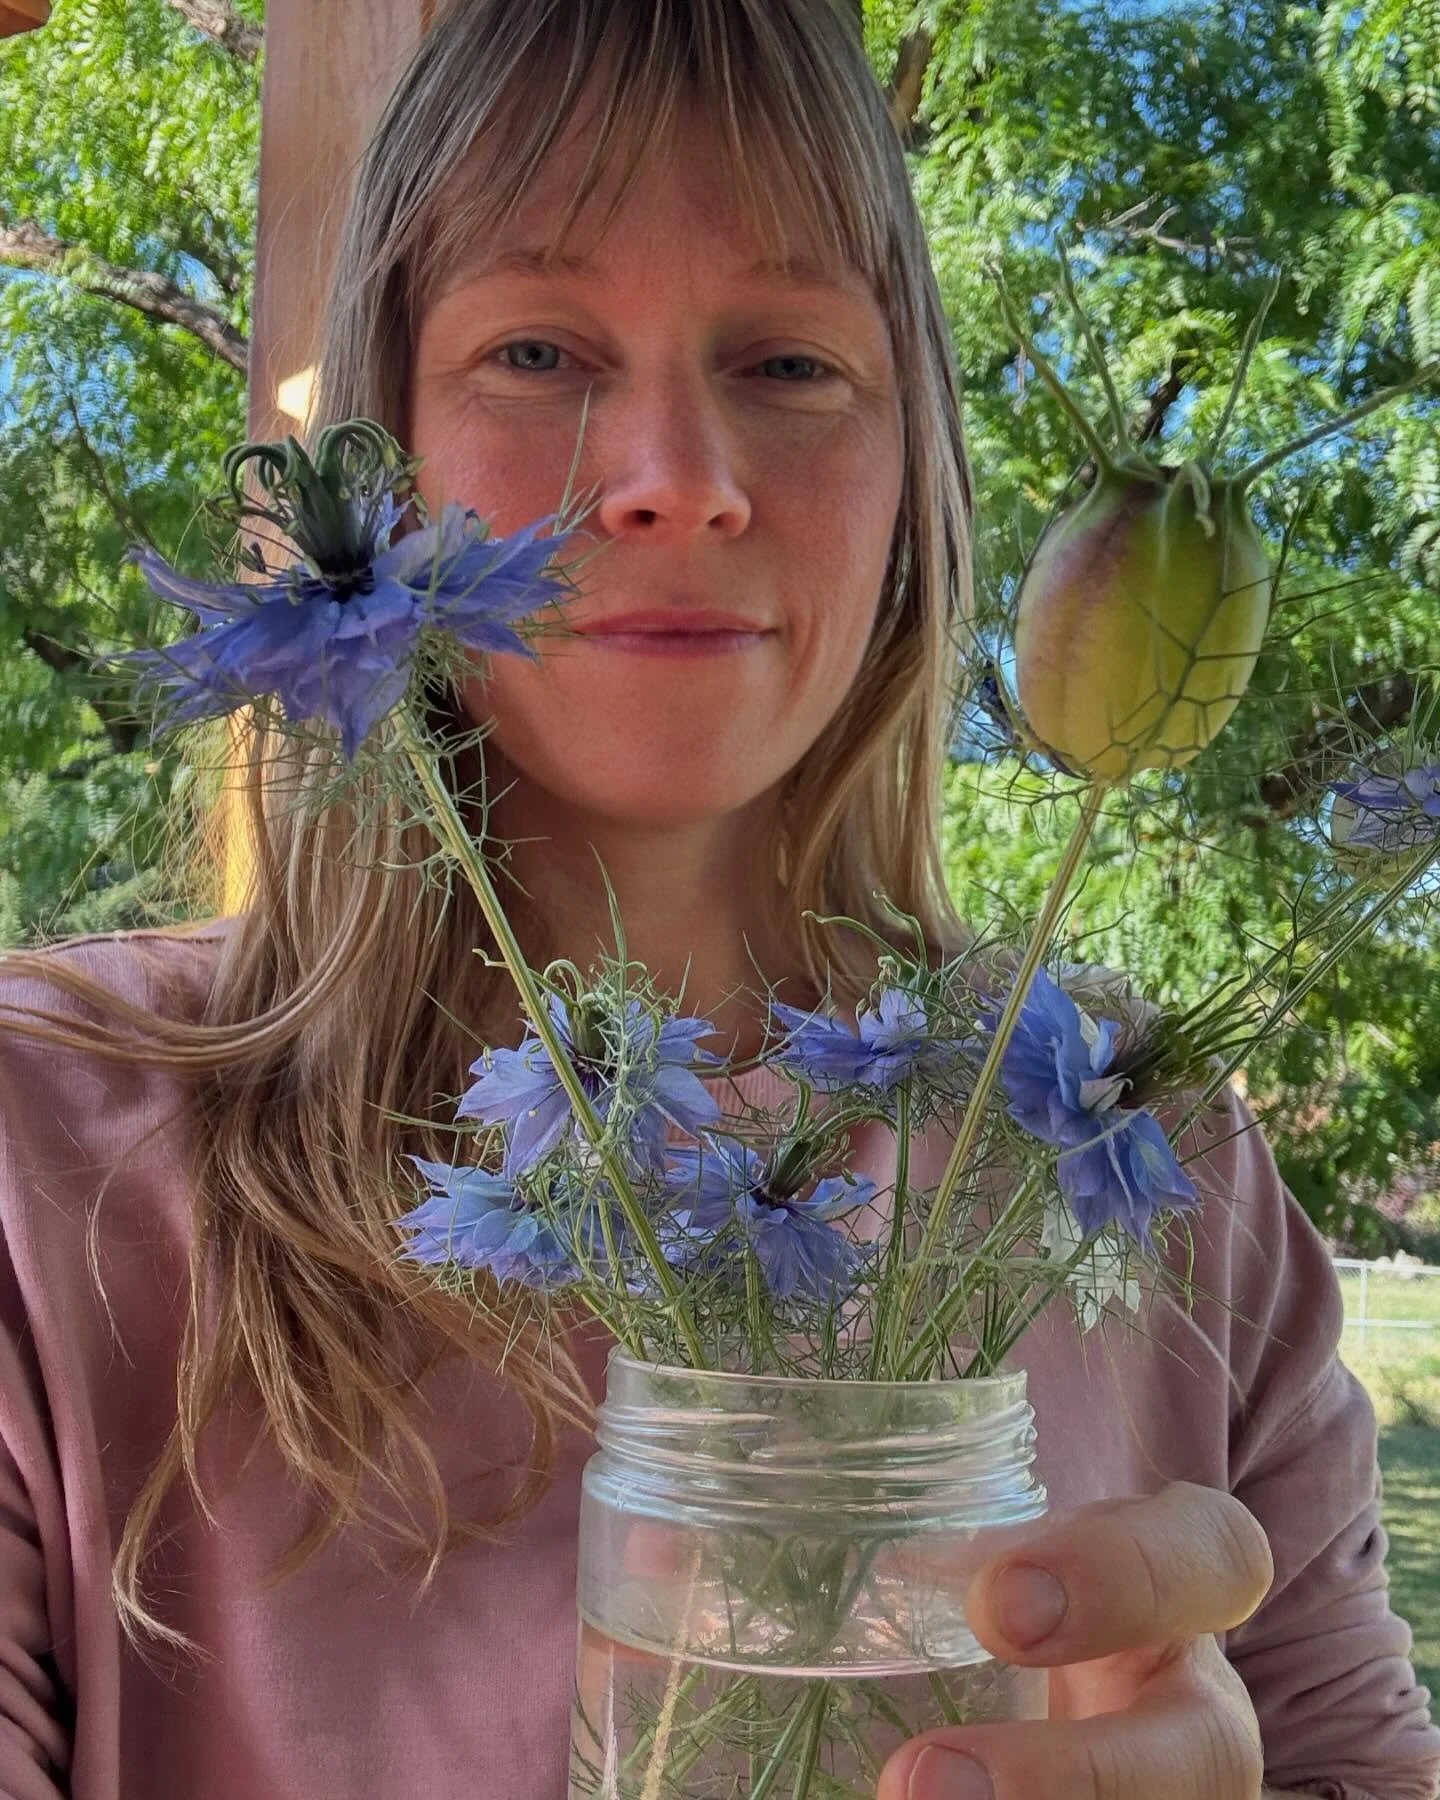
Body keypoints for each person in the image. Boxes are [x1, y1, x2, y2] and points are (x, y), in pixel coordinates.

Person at [1, 2, 1436, 1797]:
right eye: (535, 348)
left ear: (919, 481)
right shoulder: (40, 1154)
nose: (677, 477)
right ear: (389, 453)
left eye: (788, 362)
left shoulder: (1164, 1153)